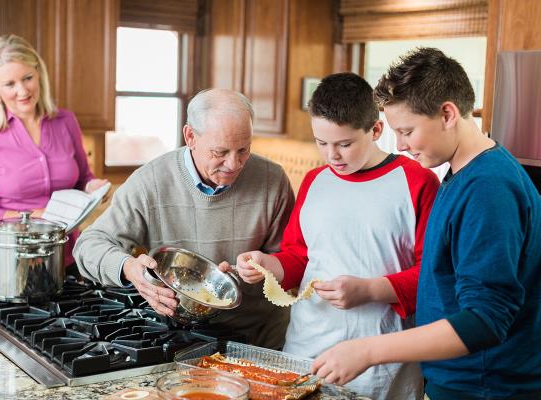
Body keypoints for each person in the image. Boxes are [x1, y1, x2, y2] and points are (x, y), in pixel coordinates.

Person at [311, 48, 541, 399]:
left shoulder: (488, 188)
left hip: (484, 387)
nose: (400, 146)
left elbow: (485, 319)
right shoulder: (465, 174)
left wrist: (367, 350)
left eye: (406, 130)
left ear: (447, 113)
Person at [234, 73, 440, 399]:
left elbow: (432, 277)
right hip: (305, 349)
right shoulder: (314, 181)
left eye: (344, 144)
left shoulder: (417, 182)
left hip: (380, 360)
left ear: (375, 130)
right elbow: (300, 256)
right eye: (321, 143)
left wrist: (370, 290)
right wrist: (268, 265)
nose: (332, 156)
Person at [73, 88, 295, 349]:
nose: (234, 164)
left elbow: (292, 261)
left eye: (243, 150)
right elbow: (87, 245)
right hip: (179, 337)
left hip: (260, 336)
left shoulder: (272, 179)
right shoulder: (152, 182)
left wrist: (261, 268)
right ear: (190, 136)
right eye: (219, 152)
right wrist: (130, 269)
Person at [0, 34, 108, 288]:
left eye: (28, 78)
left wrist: (93, 187)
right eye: (10, 83)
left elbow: (84, 177)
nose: (22, 91)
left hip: (67, 256)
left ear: (39, 74)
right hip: (9, 264)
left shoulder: (66, 121)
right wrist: (31, 216)